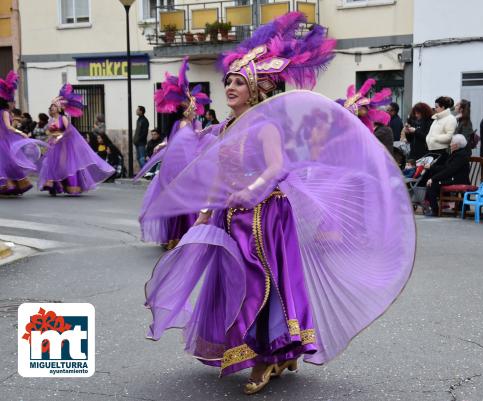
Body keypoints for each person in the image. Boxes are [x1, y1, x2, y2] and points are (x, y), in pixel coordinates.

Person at [143, 12, 414, 395]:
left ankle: (266, 358)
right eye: (229, 82)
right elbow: (220, 175)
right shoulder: (225, 129)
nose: (231, 87)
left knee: (262, 284)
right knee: (232, 283)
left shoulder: (265, 125)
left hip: (265, 215)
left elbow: (276, 166)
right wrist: (206, 209)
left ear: (256, 90)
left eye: (239, 82)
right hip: (232, 217)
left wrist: (252, 188)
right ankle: (262, 351)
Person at [138, 57, 212, 249]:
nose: (196, 110)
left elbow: (180, 141)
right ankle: (182, 237)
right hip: (183, 168)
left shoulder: (190, 124)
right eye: (193, 107)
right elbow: (184, 146)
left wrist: (163, 145)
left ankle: (177, 237)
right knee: (185, 202)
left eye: (196, 107)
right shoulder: (185, 124)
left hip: (182, 167)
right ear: (186, 109)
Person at [38, 84, 114, 196]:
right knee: (52, 164)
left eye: (54, 106)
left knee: (65, 165)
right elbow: (50, 132)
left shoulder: (63, 118)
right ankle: (53, 185)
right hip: (54, 146)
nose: (52, 108)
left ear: (59, 108)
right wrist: (48, 141)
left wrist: (59, 137)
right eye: (51, 106)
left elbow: (68, 130)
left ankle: (70, 185)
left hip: (64, 146)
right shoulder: (51, 120)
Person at [0, 71, 46, 195]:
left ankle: (10, 186)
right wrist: (21, 133)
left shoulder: (5, 112)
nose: (13, 104)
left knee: (7, 165)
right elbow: (9, 127)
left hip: (4, 140)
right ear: (7, 102)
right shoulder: (4, 112)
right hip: (4, 142)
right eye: (12, 102)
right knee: (10, 164)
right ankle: (10, 186)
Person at [424, 134, 471, 216]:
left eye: (451, 142)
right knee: (432, 180)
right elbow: (446, 167)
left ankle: (435, 211)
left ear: (456, 145)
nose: (450, 144)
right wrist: (432, 167)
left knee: (432, 185)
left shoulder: (460, 155)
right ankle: (441, 207)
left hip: (457, 180)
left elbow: (449, 170)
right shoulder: (456, 153)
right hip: (453, 178)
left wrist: (433, 179)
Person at [426, 96, 456, 165]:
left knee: (438, 173)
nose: (435, 109)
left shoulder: (450, 119)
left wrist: (435, 138)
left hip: (442, 152)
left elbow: (449, 137)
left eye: (436, 107)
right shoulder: (437, 119)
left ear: (443, 107)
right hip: (432, 150)